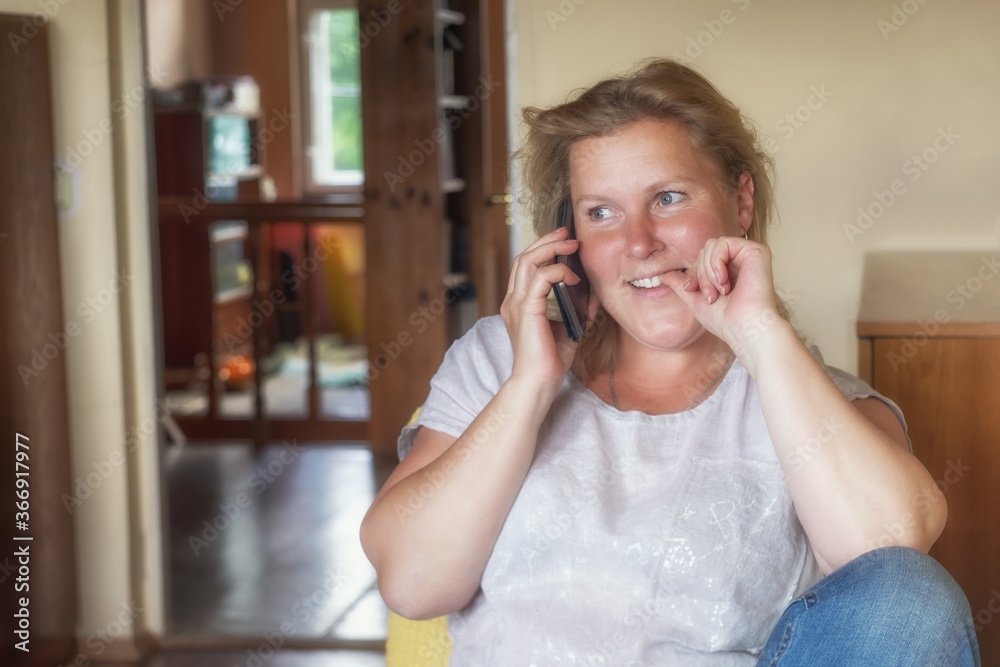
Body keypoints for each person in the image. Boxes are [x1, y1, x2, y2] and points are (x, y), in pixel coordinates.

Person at [360, 58, 980, 665]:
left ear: (741, 202)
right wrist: (529, 387)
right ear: (569, 238)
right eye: (600, 212)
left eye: (669, 198)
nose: (638, 243)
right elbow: (413, 585)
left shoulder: (816, 401)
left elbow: (897, 591)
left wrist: (761, 335)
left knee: (910, 599)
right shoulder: (498, 363)